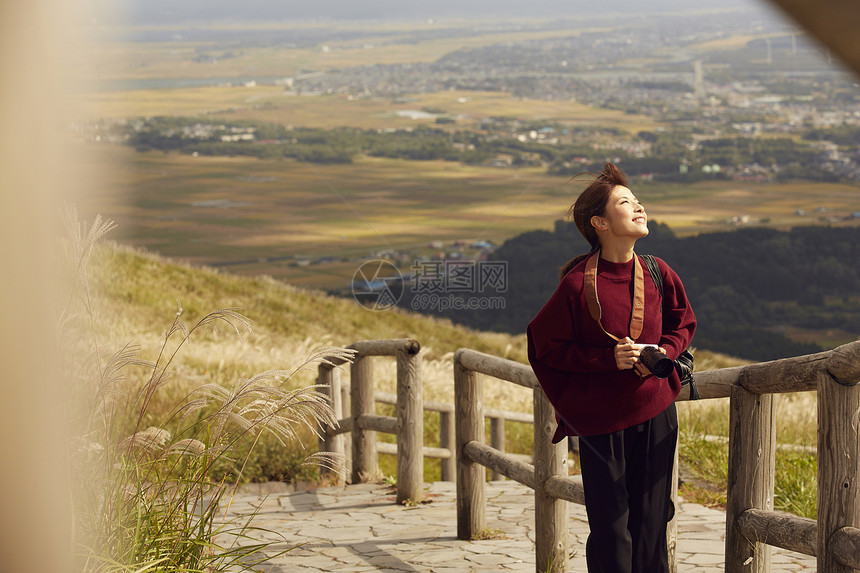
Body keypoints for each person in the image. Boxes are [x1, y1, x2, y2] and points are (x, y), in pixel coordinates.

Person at [526, 162, 696, 573]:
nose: (638, 207)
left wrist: (665, 352)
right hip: (603, 425)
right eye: (625, 202)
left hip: (657, 414)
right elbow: (543, 346)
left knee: (654, 523)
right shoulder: (575, 286)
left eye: (637, 200)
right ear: (599, 222)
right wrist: (607, 359)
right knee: (612, 531)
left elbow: (683, 322)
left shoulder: (658, 271)